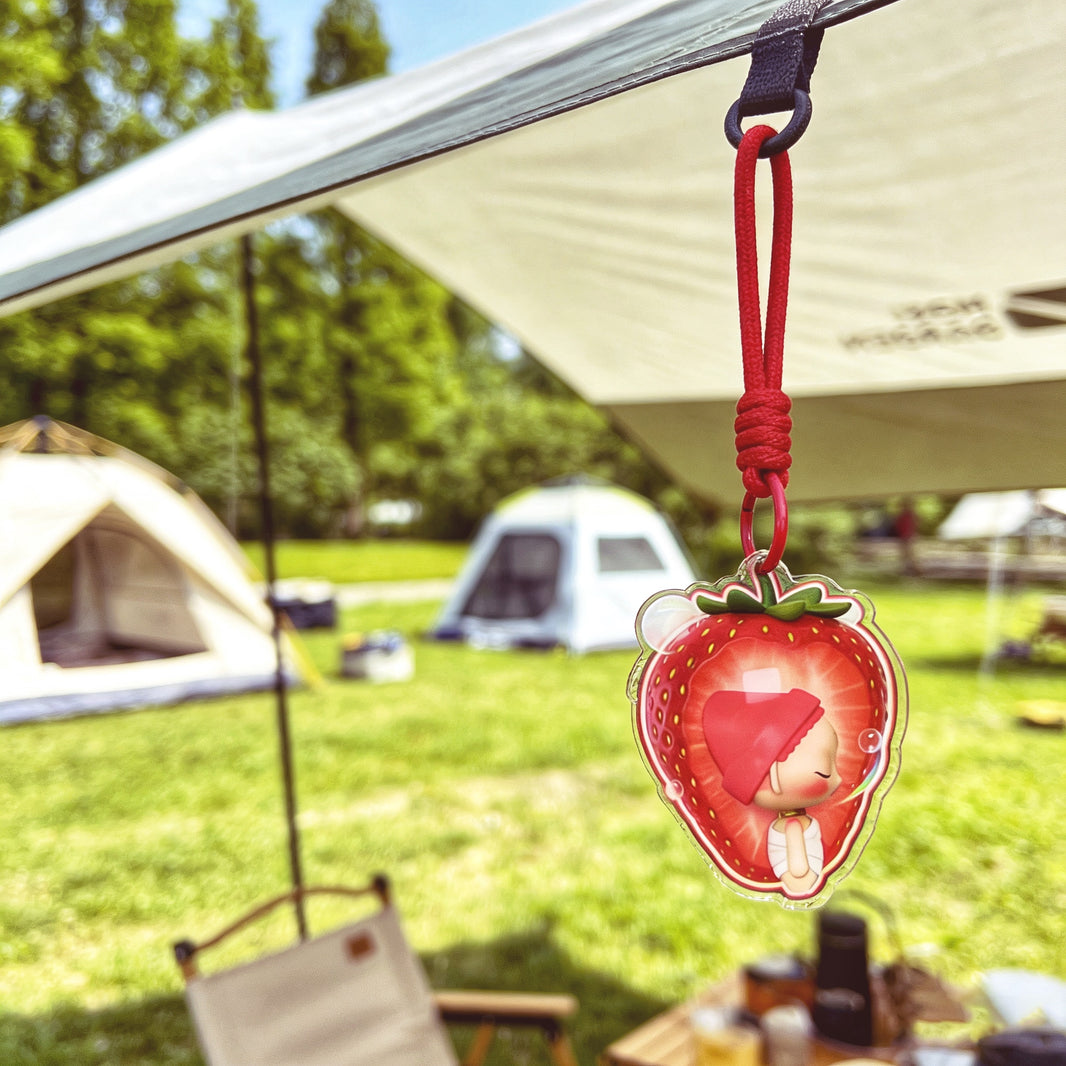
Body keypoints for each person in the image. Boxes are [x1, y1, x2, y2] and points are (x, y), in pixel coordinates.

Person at [703, 677, 842, 899]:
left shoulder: (792, 823)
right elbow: (798, 868)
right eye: (824, 773)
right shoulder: (792, 825)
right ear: (774, 777)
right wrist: (802, 882)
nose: (839, 780)